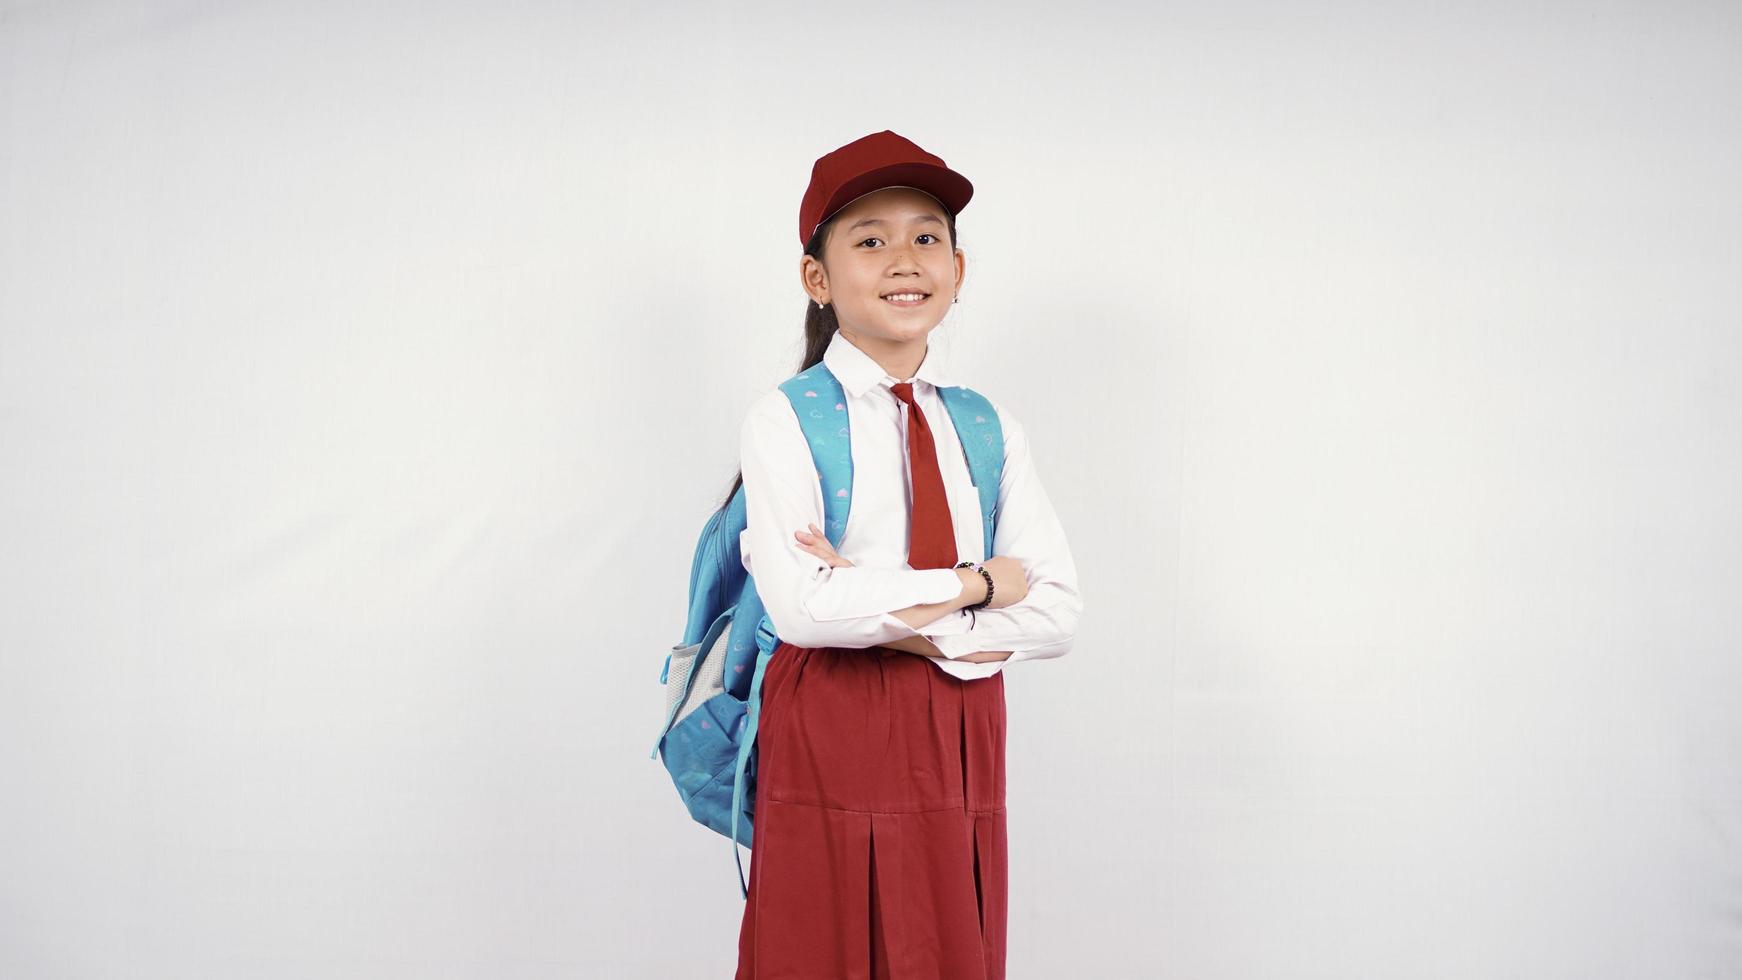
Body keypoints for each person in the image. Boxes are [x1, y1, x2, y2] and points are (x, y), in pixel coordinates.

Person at [725, 130, 1083, 980]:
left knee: (949, 948)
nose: (904, 260)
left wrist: (887, 612)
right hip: (833, 723)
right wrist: (978, 584)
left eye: (927, 237)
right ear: (818, 278)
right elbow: (806, 613)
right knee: (823, 947)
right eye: (870, 239)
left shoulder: (987, 427)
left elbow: (1059, 612)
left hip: (962, 728)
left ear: (960, 271)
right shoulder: (783, 420)